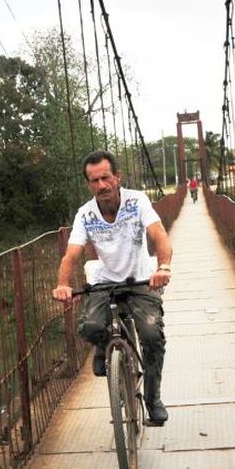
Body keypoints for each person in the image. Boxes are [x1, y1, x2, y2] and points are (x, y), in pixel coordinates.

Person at [52, 150, 172, 424]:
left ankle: (153, 398)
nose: (101, 185)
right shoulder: (85, 214)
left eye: (106, 178)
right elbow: (71, 254)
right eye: (94, 181)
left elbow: (159, 234)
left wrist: (163, 267)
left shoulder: (137, 201)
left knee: (152, 336)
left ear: (118, 177)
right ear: (88, 184)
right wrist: (62, 284)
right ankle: (105, 347)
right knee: (91, 327)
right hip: (104, 283)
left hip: (141, 279)